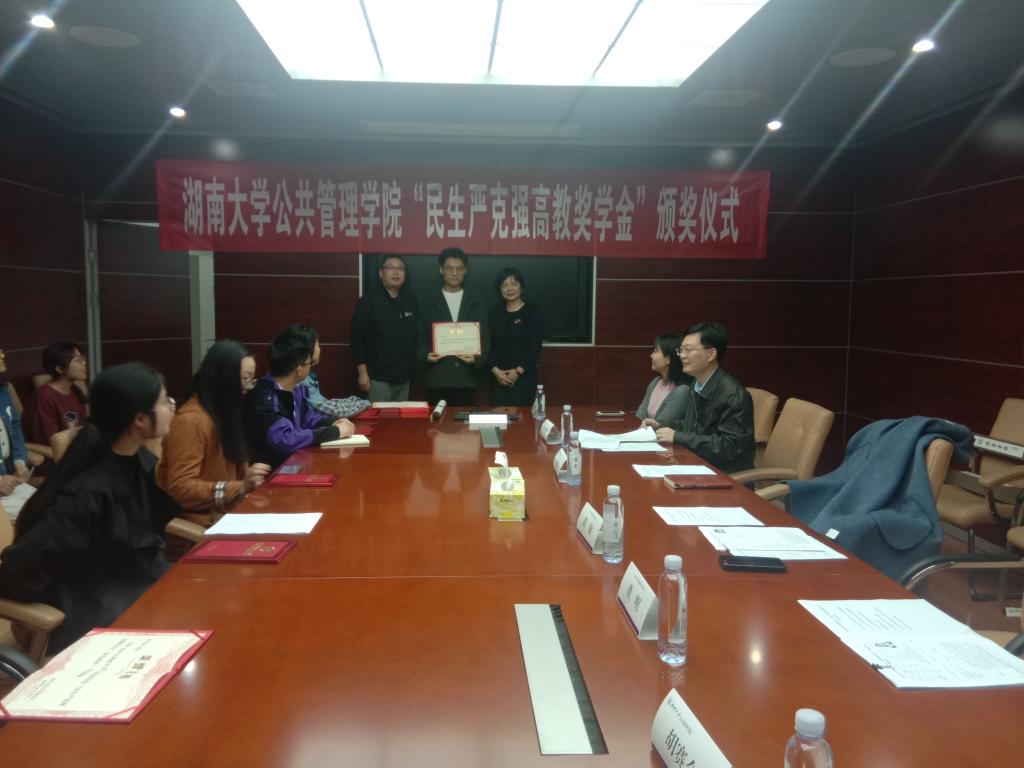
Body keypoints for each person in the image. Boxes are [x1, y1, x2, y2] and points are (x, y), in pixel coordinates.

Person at [0, 363, 179, 654]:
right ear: (139, 419)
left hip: (131, 591)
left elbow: (144, 545)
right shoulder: (84, 493)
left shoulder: (138, 462)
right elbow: (22, 566)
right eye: (164, 401)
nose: (172, 406)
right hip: (93, 614)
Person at [156, 340, 271, 525]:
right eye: (244, 379)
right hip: (200, 522)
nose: (248, 387)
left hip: (227, 514)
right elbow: (181, 487)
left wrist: (249, 483)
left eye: (252, 380)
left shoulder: (224, 413)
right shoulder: (191, 420)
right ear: (223, 378)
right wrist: (239, 488)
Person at [244, 331, 355, 469]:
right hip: (272, 471)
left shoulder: (296, 388)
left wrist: (333, 422)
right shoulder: (265, 396)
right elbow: (285, 439)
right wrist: (334, 432)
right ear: (299, 370)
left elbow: (308, 417)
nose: (311, 366)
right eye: (309, 363)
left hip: (294, 463)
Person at [655, 322, 755, 473]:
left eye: (688, 350)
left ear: (711, 354)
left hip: (724, 475)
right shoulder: (697, 384)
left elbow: (731, 446)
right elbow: (692, 426)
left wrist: (679, 437)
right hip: (697, 465)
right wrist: (661, 425)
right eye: (681, 350)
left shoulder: (733, 394)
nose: (682, 355)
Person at [416, 247, 489, 406]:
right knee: (437, 421)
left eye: (459, 268)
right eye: (450, 268)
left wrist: (477, 359)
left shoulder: (475, 299)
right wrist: (425, 355)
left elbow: (485, 337)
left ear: (465, 270)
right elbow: (419, 334)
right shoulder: (428, 299)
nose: (454, 273)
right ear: (441, 270)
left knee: (463, 421)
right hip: (437, 377)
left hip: (466, 378)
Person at [351, 255, 419, 402]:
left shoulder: (411, 301)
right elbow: (357, 338)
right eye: (390, 267)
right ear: (381, 273)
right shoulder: (368, 301)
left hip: (404, 378)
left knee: (400, 417)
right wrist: (362, 372)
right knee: (379, 417)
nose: (396, 272)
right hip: (377, 379)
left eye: (400, 268)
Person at [487, 267, 544, 407]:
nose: (509, 289)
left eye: (514, 284)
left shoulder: (532, 312)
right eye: (505, 285)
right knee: (498, 419)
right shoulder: (494, 314)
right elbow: (487, 345)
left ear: (521, 286)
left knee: (523, 419)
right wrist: (495, 370)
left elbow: (535, 346)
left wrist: (518, 371)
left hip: (525, 378)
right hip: (498, 378)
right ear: (500, 289)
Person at [287, 323, 369, 418]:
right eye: (317, 345)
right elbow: (332, 411)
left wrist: (356, 400)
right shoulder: (301, 381)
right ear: (308, 349)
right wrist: (364, 403)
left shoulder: (306, 376)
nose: (319, 349)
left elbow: (326, 403)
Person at [24, 342, 89, 444]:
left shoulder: (75, 391)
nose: (84, 363)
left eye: (83, 359)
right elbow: (49, 439)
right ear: (59, 368)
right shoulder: (44, 395)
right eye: (78, 360)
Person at [0, 347, 35, 520]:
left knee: (53, 505)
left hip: (9, 479)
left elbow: (15, 427)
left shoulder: (3, 391)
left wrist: (19, 461)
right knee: (38, 517)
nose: (2, 354)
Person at [636, 333, 691, 428]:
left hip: (659, 437)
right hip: (644, 434)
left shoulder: (682, 391)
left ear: (668, 359)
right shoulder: (655, 382)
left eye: (655, 351)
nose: (651, 355)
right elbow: (640, 415)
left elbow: (662, 426)